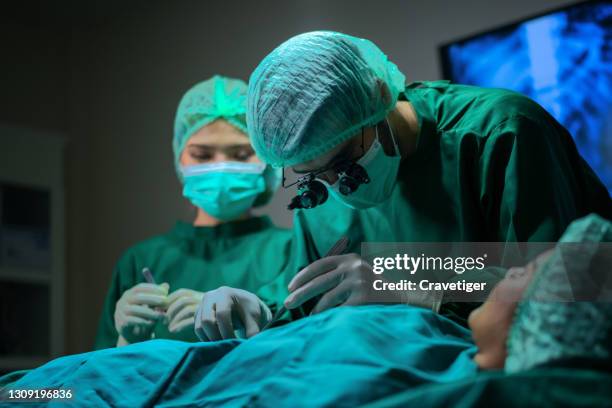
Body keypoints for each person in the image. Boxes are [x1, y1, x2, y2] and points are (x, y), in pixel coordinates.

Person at [245, 31, 612, 327]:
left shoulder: (499, 133)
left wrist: (414, 287)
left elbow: (565, 282)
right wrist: (257, 308)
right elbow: (307, 294)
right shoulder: (323, 191)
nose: (338, 185)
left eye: (344, 164)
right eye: (312, 176)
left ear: (380, 96)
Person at [94, 76, 290, 349]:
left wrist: (245, 321)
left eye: (241, 154)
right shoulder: (141, 259)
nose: (221, 166)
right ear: (180, 159)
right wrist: (126, 339)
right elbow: (101, 382)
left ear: (267, 159)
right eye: (202, 155)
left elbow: (305, 357)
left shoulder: (291, 250)